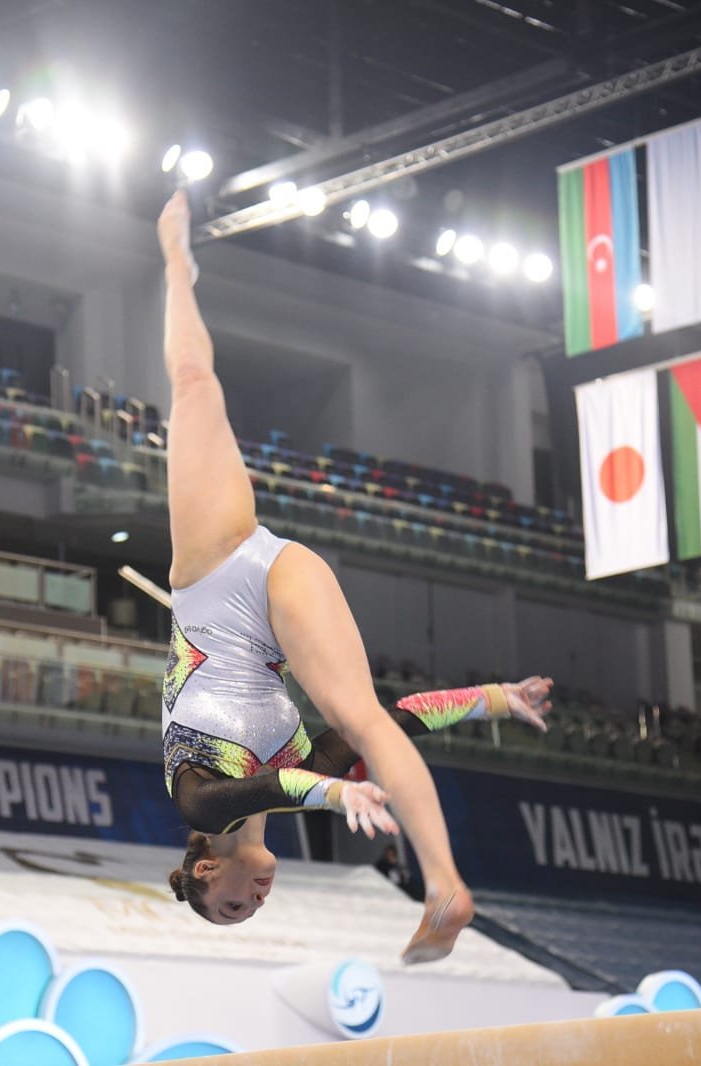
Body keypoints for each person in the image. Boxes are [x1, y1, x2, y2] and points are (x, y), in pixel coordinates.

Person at [153, 190, 553, 964]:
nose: (255, 902)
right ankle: (444, 887)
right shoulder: (303, 769)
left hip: (211, 570)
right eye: (252, 913)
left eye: (234, 904)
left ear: (206, 868)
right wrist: (493, 700)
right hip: (273, 594)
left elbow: (262, 794)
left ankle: (174, 257)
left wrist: (338, 795)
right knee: (368, 718)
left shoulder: (195, 795)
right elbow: (400, 718)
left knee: (195, 385)